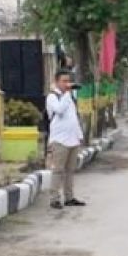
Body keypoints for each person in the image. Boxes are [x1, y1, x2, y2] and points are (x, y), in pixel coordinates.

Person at [46, 70, 86, 210]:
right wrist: (67, 94)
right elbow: (59, 110)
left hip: (72, 139)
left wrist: (79, 136)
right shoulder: (52, 97)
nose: (66, 84)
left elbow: (73, 117)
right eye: (63, 81)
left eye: (68, 81)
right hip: (59, 140)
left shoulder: (70, 97)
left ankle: (69, 197)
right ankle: (54, 199)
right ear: (57, 82)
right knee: (58, 170)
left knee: (70, 170)